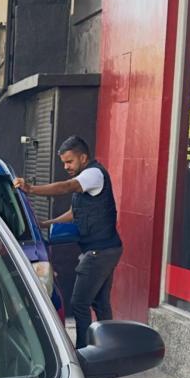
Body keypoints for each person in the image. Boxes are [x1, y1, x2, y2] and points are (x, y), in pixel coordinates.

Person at [16, 136, 121, 347]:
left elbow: (65, 187)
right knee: (100, 303)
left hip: (99, 251)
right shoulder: (87, 180)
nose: (66, 167)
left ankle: (82, 350)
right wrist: (46, 224)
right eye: (64, 162)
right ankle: (108, 349)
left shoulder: (93, 174)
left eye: (70, 161)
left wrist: (31, 189)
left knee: (79, 303)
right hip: (106, 249)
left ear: (83, 157)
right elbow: (75, 213)